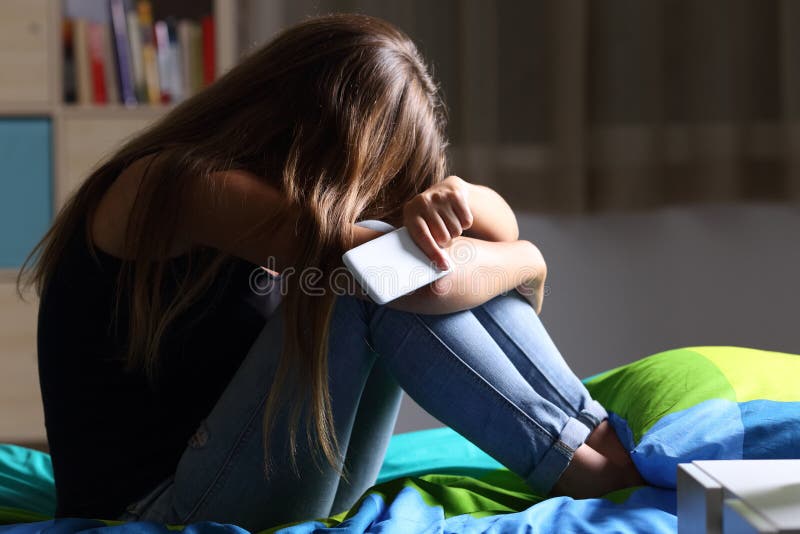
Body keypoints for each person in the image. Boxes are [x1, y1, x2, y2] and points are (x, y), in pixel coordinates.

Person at [21, 13, 644, 532]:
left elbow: (489, 232)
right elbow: (416, 279)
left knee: (394, 257)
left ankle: (589, 433)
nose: (368, 193)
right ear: (316, 130)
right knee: (371, 272)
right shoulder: (179, 185)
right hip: (159, 509)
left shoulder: (291, 200)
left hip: (266, 472)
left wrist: (455, 196)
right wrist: (530, 262)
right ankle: (581, 462)